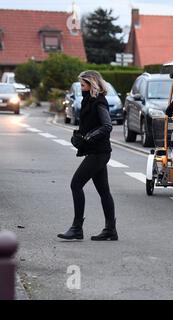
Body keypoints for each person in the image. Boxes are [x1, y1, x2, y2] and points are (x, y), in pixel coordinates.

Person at [58, 70, 117, 241]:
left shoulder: (99, 102)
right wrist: (79, 138)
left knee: (76, 184)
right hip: (96, 151)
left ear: (92, 85)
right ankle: (110, 230)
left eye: (83, 85)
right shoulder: (88, 101)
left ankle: (77, 228)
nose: (81, 88)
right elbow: (89, 125)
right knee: (104, 191)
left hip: (99, 152)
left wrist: (89, 137)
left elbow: (107, 126)